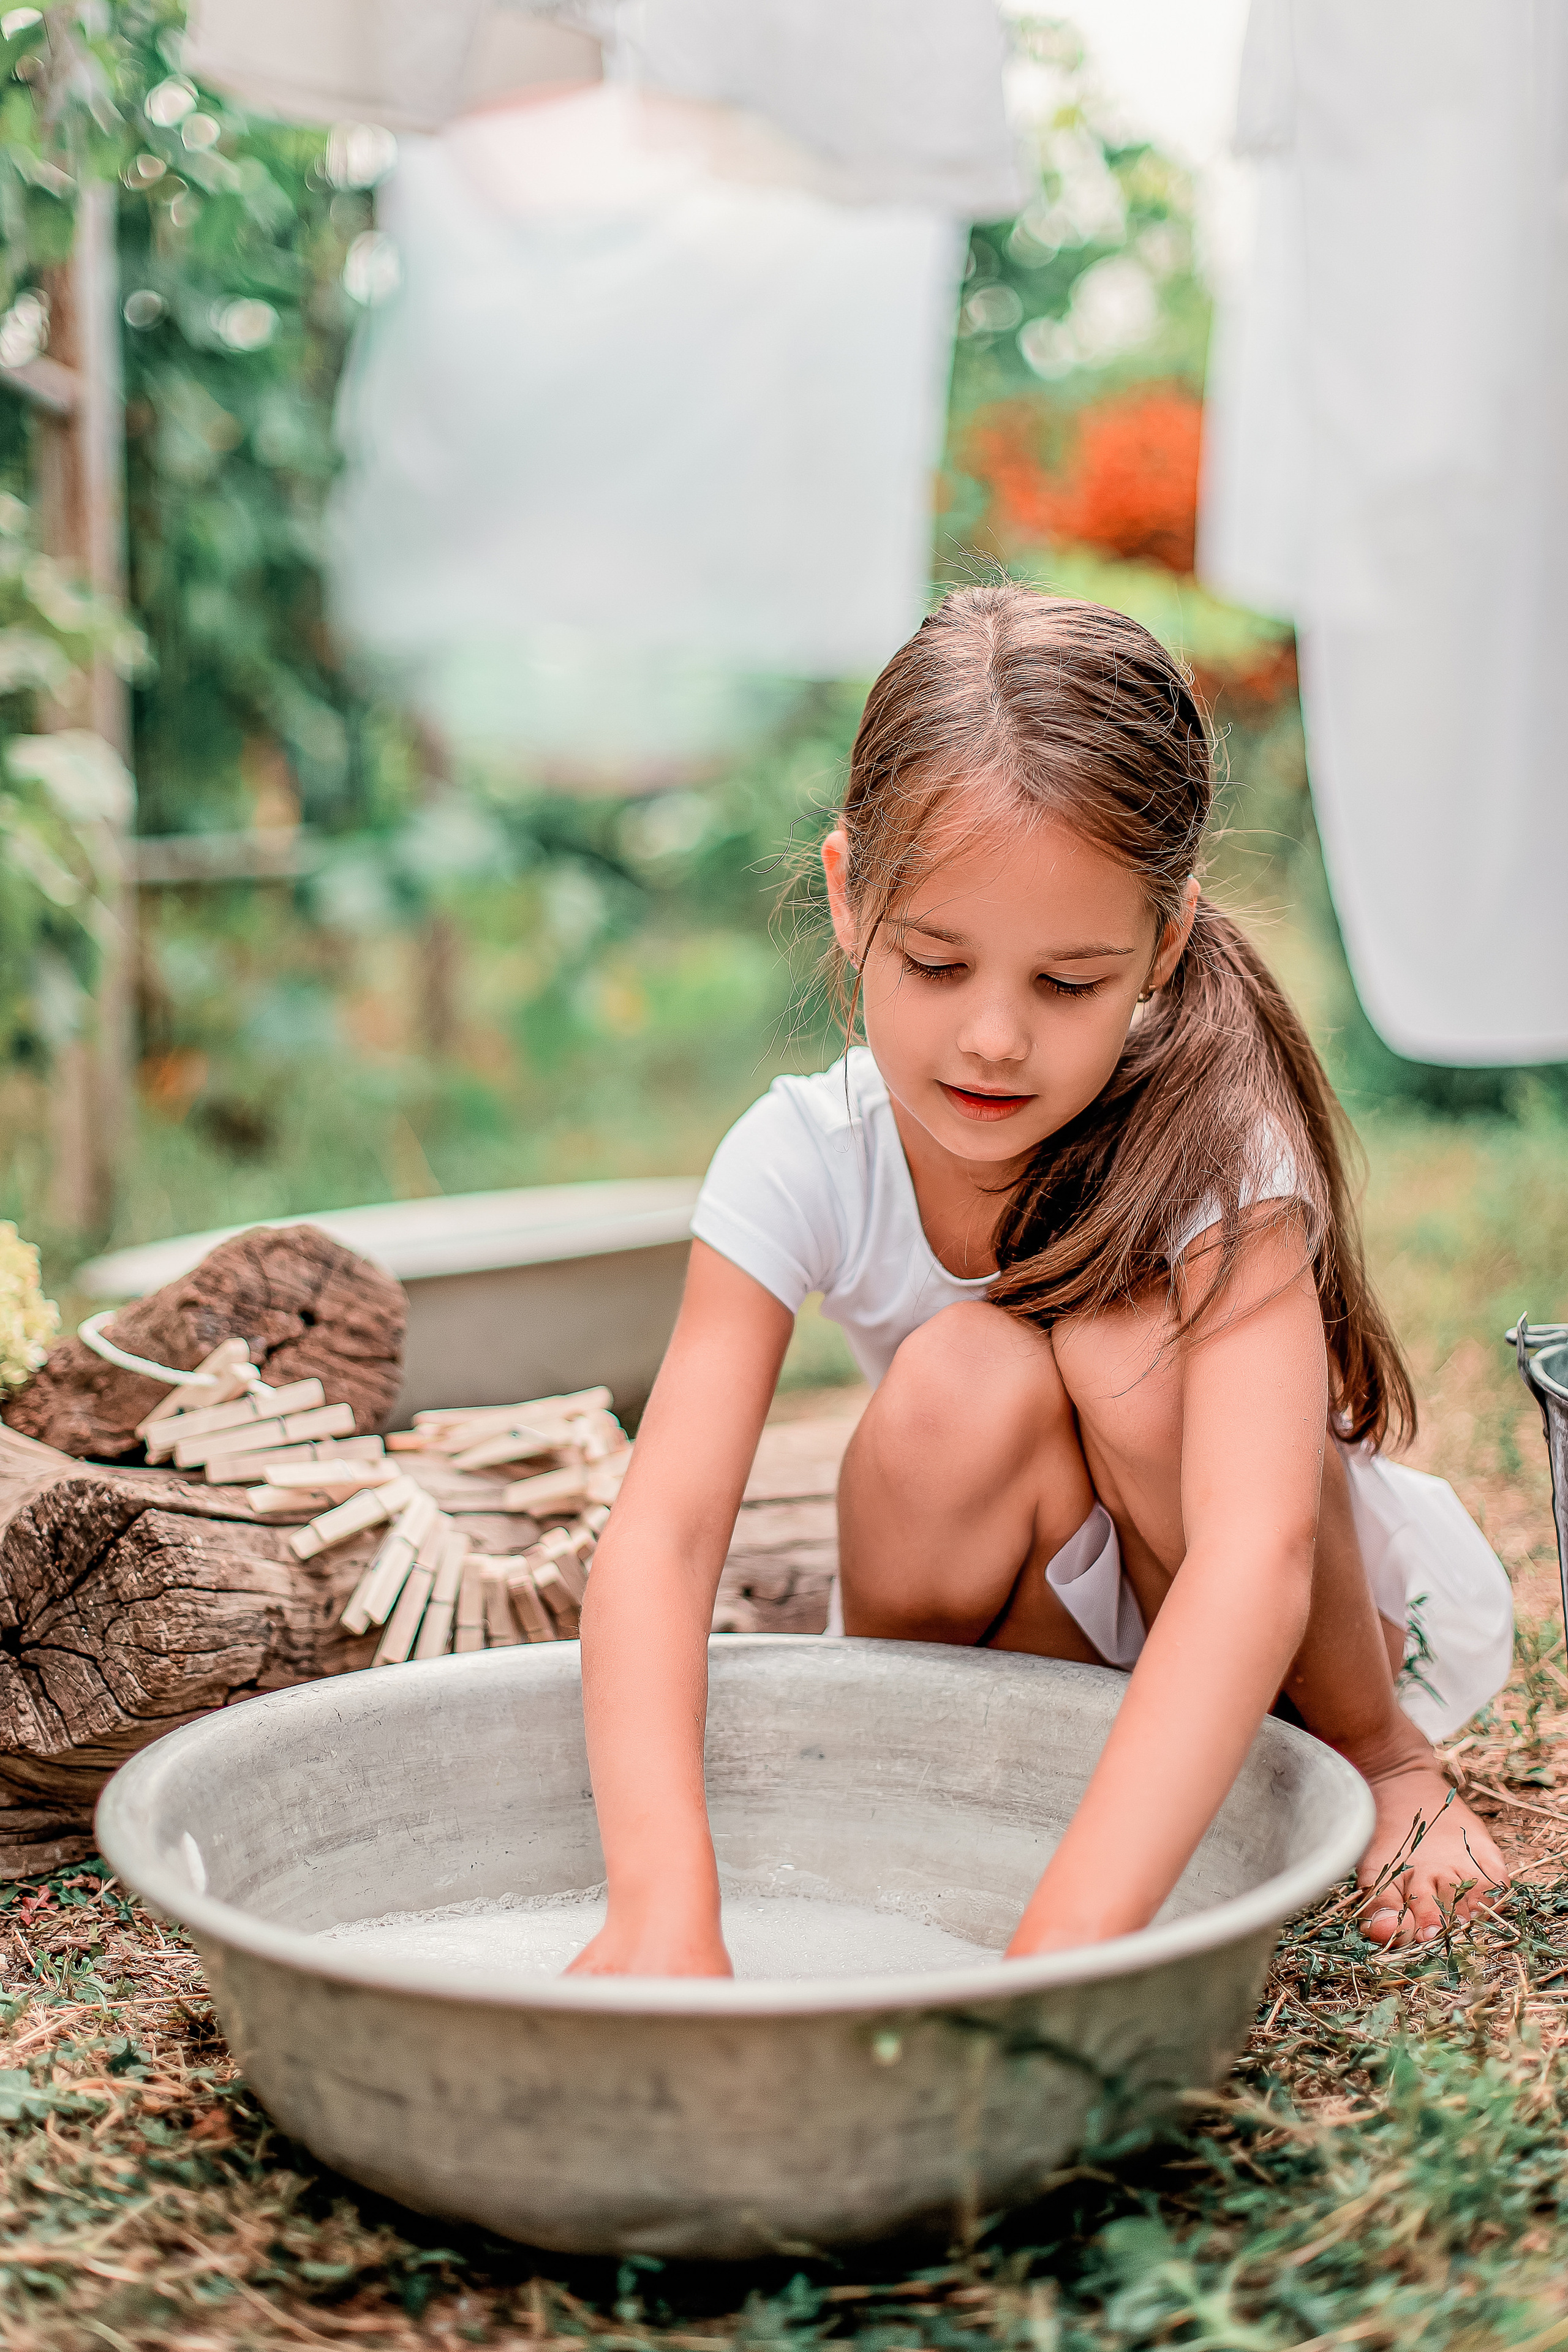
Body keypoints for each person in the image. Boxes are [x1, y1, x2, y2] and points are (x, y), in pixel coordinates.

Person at [569, 584, 1513, 1978]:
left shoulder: (1218, 1153)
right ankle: (946, 1798)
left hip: (1283, 1663)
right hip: (1027, 1653)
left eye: (1069, 984)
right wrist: (660, 1905)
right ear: (846, 899)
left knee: (1127, 1351)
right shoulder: (800, 1156)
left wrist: (1061, 1952)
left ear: (1163, 944)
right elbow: (657, 1542)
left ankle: (1377, 1766)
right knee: (964, 1376)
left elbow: (1254, 1553)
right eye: (935, 965)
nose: (993, 1039)